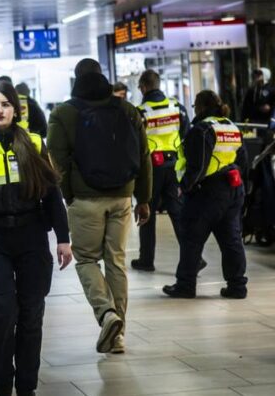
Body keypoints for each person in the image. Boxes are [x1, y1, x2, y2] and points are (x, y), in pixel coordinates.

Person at [0, 81, 72, 396]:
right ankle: (3, 386)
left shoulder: (34, 144)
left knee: (32, 313)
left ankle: (27, 387)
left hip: (32, 238)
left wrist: (63, 237)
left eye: (4, 104)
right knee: (4, 313)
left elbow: (51, 195)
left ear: (15, 109)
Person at [47, 58, 152, 354]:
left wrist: (69, 195)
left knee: (86, 260)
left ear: (76, 78)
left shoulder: (64, 112)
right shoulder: (127, 109)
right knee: (116, 262)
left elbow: (58, 161)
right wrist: (143, 198)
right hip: (122, 198)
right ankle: (118, 336)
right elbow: (144, 156)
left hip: (86, 199)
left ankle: (107, 315)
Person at [163, 90, 249, 299]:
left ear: (200, 106)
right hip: (233, 187)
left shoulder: (202, 130)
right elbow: (243, 160)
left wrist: (185, 186)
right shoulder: (231, 127)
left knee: (191, 237)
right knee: (231, 239)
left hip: (208, 192)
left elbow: (198, 165)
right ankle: (237, 286)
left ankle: (185, 285)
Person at [131, 70, 192, 272]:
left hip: (151, 169)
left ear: (145, 86)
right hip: (173, 167)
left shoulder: (141, 112)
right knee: (178, 213)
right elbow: (187, 134)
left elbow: (134, 143)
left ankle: (146, 260)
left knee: (146, 211)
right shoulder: (177, 107)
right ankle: (194, 257)